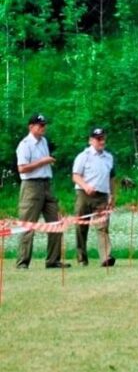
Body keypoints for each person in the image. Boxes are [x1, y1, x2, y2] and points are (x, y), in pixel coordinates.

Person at [14, 113, 65, 269]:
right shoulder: (24, 144)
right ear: (31, 127)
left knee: (56, 222)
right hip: (31, 187)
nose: (44, 127)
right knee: (28, 225)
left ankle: (53, 260)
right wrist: (43, 161)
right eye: (40, 125)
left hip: (47, 185)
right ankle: (22, 262)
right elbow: (22, 168)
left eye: (44, 125)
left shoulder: (43, 141)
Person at [71, 126, 117, 268]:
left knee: (102, 227)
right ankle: (81, 258)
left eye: (103, 138)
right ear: (91, 140)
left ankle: (106, 257)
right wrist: (85, 186)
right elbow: (75, 176)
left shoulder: (109, 157)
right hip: (84, 195)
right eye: (98, 139)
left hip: (102, 196)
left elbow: (111, 178)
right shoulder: (83, 156)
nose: (101, 141)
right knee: (81, 227)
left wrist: (112, 195)